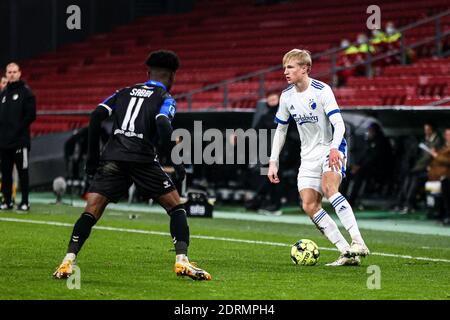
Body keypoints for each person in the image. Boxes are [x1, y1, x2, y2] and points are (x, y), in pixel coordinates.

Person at [53, 50, 211, 281]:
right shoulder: (165, 98)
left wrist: (92, 159)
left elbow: (96, 115)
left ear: (148, 73)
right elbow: (163, 123)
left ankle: (68, 261)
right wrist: (177, 162)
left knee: (92, 211)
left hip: (113, 158)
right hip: (142, 159)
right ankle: (182, 261)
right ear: (171, 77)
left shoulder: (123, 92)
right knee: (176, 208)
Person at [268, 49, 370, 266]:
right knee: (309, 205)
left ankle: (358, 241)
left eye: (291, 67)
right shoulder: (286, 96)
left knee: (330, 189)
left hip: (331, 147)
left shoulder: (322, 90)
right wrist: (273, 161)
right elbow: (281, 130)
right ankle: (346, 253)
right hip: (308, 155)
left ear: (305, 68)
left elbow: (339, 123)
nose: (285, 71)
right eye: (284, 67)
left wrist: (334, 148)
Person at [0, 62, 36, 211]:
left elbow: (30, 116)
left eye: (14, 72)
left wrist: (17, 131)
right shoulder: (3, 94)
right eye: (9, 72)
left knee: (23, 173)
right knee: (6, 174)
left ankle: (25, 202)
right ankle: (7, 201)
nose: (12, 74)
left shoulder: (26, 92)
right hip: (4, 143)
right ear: (6, 74)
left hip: (20, 142)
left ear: (20, 73)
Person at [245, 92, 283, 215]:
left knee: (276, 178)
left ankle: (275, 204)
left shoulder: (285, 115)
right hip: (266, 152)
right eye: (270, 100)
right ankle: (265, 202)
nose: (272, 102)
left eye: (274, 99)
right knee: (266, 177)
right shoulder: (264, 117)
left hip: (280, 152)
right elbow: (254, 132)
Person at [396, 122, 443, 214]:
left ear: (432, 130)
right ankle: (403, 203)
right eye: (425, 130)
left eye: (428, 130)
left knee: (415, 180)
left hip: (429, 169)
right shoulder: (425, 140)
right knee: (408, 178)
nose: (426, 132)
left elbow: (430, 157)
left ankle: (409, 204)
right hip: (419, 167)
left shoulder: (438, 141)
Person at [347, 122, 394, 208]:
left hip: (378, 169)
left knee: (359, 175)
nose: (369, 132)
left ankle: (351, 201)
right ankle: (342, 198)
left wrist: (359, 167)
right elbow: (364, 156)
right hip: (366, 167)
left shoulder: (381, 142)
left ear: (375, 131)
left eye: (370, 130)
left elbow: (374, 159)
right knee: (346, 172)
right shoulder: (369, 141)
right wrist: (356, 165)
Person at [427, 127, 450, 225]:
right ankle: (440, 215)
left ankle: (447, 216)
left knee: (446, 198)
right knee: (438, 197)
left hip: (446, 175)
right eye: (447, 134)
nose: (447, 136)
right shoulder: (444, 146)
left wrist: (436, 156)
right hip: (437, 176)